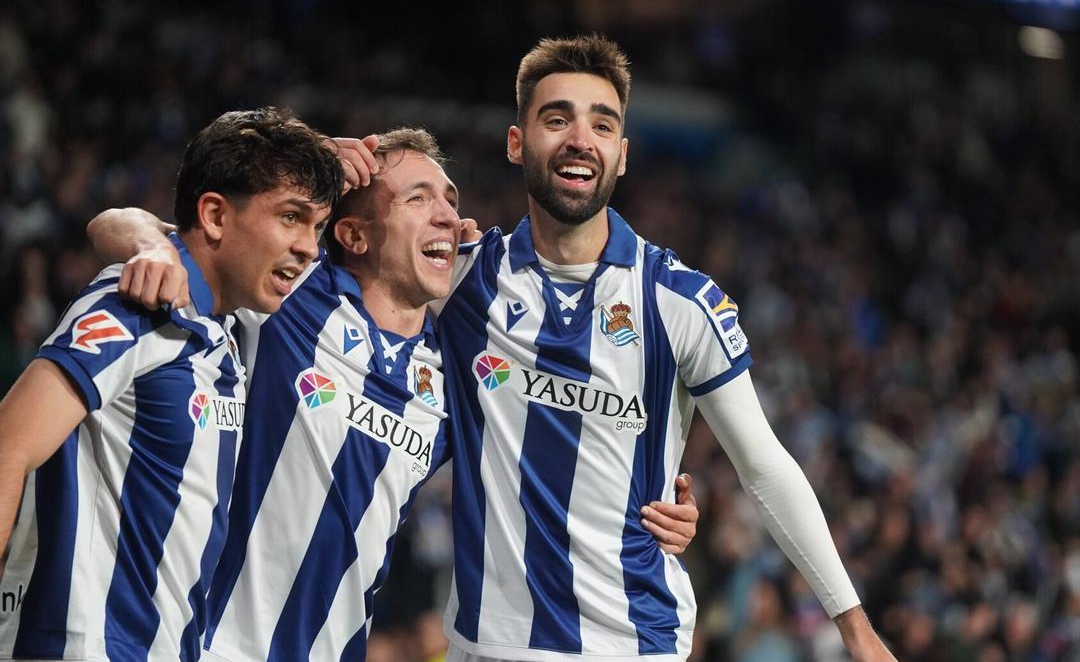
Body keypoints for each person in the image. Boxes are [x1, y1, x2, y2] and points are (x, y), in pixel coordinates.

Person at [87, 128, 700, 660]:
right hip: (207, 645)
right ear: (354, 235)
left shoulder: (455, 374)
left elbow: (554, 461)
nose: (447, 215)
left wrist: (658, 511)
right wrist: (153, 243)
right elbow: (121, 223)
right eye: (417, 198)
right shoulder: (296, 294)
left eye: (449, 199)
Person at [422, 35, 897, 660]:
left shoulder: (679, 301)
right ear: (517, 143)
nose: (578, 139)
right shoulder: (456, 280)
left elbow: (764, 466)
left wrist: (855, 629)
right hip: (485, 644)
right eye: (556, 118)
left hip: (632, 644)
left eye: (602, 124)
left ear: (621, 156)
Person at [0, 107, 342, 661]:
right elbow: (8, 446)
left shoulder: (225, 326)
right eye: (290, 217)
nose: (309, 246)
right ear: (214, 214)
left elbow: (113, 222)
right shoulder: (140, 305)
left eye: (317, 227)